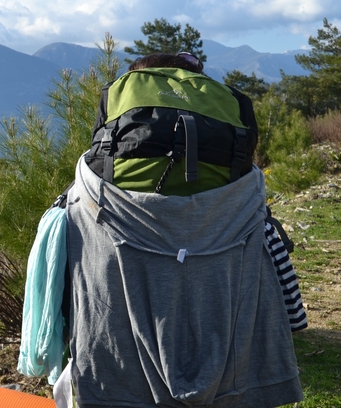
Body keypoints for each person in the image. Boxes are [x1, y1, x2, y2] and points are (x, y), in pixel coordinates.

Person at [57, 53, 304, 407]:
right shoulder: (246, 199)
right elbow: (286, 299)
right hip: (231, 375)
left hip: (114, 377)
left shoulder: (85, 203)